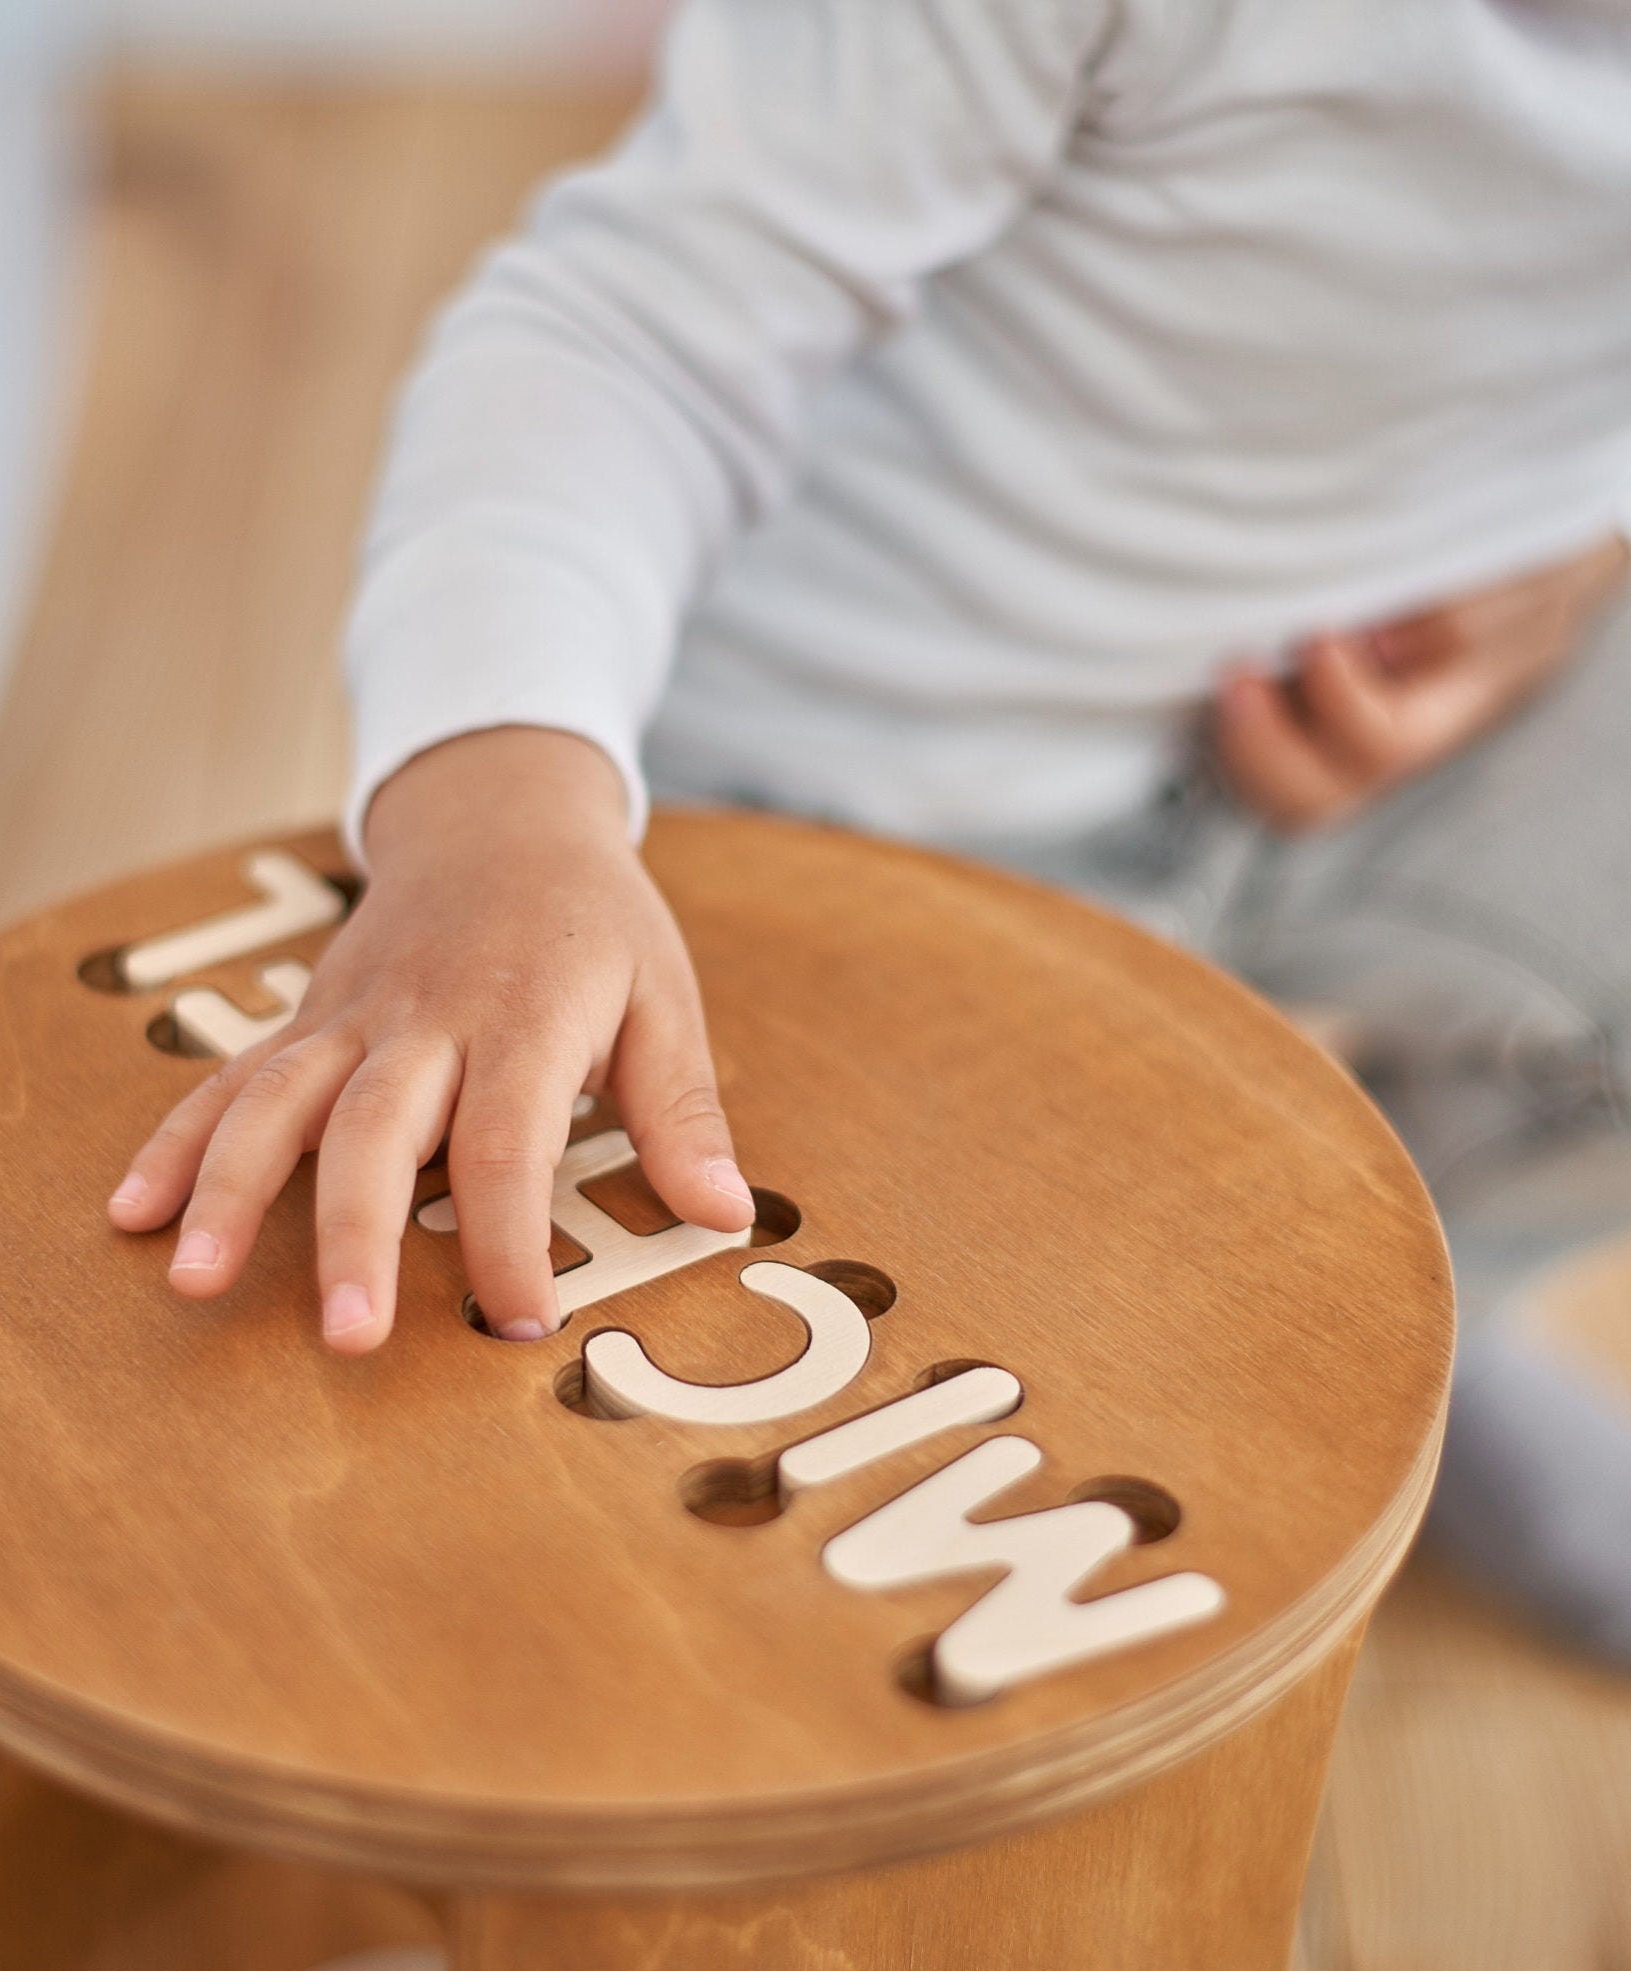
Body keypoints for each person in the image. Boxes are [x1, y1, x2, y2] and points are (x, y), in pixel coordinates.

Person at [108, 0, 1631, 1662]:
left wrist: (1574, 557)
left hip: (1434, 724)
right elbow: (632, 332)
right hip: (849, 785)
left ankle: (1419, 1304)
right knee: (799, 1385)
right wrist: (499, 811)